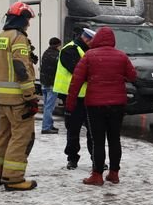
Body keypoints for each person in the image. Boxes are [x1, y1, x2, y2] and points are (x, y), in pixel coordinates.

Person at [67, 26, 137, 186]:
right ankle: (114, 173)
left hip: (95, 105)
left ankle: (97, 175)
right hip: (118, 104)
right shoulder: (121, 56)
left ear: (97, 39)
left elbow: (76, 80)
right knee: (114, 139)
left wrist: (70, 104)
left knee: (97, 140)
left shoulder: (88, 56)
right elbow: (133, 76)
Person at [0, 1, 40, 191]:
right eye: (27, 20)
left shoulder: (0, 37)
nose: (28, 24)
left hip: (3, 99)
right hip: (19, 99)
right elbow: (21, 66)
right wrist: (30, 95)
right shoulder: (18, 38)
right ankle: (13, 178)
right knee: (21, 137)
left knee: (3, 135)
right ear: (21, 19)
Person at [54, 27, 95, 170]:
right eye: (91, 42)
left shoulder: (86, 50)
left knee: (93, 130)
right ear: (86, 39)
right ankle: (72, 159)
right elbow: (78, 70)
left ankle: (96, 159)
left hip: (87, 96)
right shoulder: (69, 50)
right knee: (73, 130)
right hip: (72, 97)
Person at [39, 37, 62, 134]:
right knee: (49, 107)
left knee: (47, 106)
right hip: (52, 84)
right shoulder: (57, 55)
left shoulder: (45, 53)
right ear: (57, 45)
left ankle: (49, 124)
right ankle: (46, 127)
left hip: (44, 83)